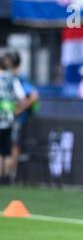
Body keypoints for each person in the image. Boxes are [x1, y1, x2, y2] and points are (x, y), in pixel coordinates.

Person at [3, 51, 39, 183]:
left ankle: (11, 175)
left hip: (16, 119)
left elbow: (33, 95)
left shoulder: (19, 78)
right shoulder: (8, 77)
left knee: (13, 145)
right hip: (6, 119)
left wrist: (18, 110)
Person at [0, 53, 26, 185]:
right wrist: (16, 110)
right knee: (7, 150)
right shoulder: (13, 79)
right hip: (9, 120)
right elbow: (22, 97)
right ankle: (6, 178)